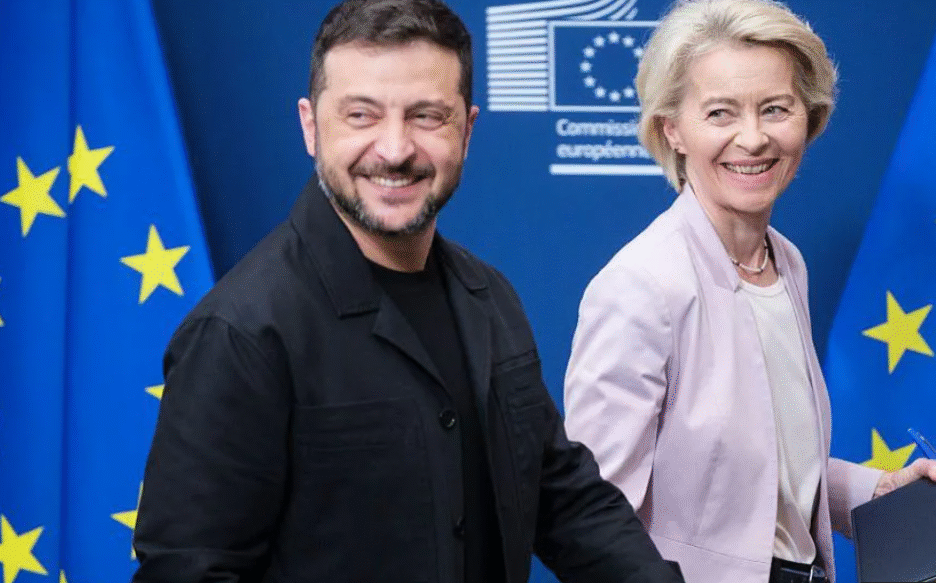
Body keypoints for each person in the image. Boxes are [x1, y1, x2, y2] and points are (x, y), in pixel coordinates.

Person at [130, 1, 685, 582]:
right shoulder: (241, 333)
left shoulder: (490, 299)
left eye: (426, 117)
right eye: (361, 116)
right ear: (310, 126)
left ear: (467, 130)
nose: (395, 150)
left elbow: (562, 497)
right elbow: (189, 571)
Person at [562, 1, 936, 583]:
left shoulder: (785, 262)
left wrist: (875, 491)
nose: (753, 138)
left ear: (808, 119)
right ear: (672, 129)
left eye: (775, 109)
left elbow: (750, 472)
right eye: (720, 112)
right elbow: (592, 519)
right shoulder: (641, 286)